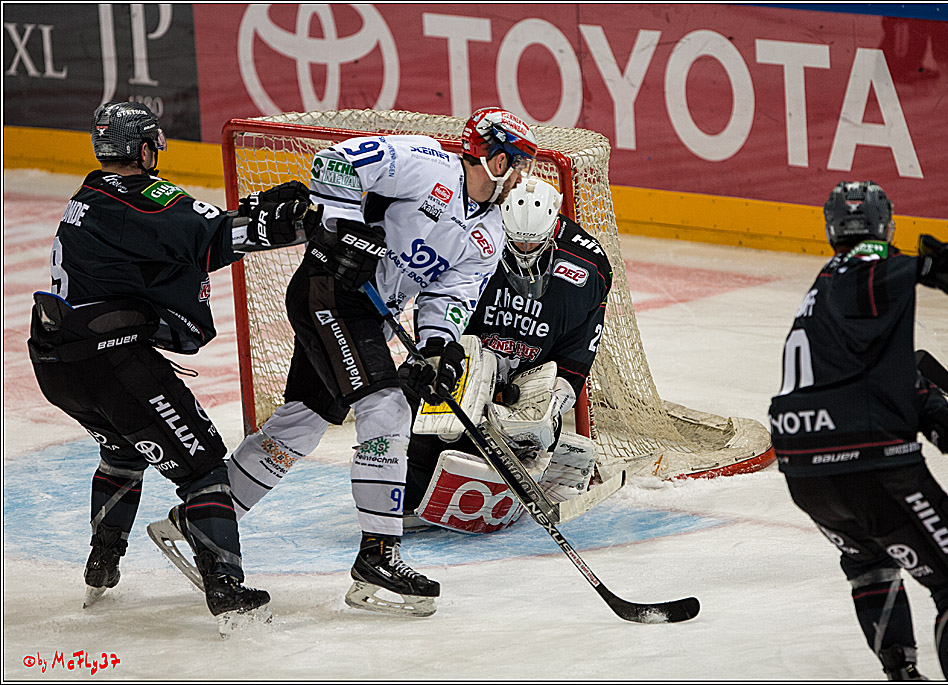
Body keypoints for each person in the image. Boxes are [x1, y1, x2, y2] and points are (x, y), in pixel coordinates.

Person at [149, 106, 537, 617]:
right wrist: (345, 229)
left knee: (301, 425)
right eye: (516, 159)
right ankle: (378, 557)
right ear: (489, 155)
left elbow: (449, 296)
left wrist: (438, 348)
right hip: (329, 289)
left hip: (367, 313)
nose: (522, 173)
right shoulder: (426, 163)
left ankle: (198, 519)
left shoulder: (489, 235)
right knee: (389, 409)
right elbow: (337, 163)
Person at [27, 102, 316, 635]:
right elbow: (210, 236)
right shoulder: (144, 197)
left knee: (121, 447)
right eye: (154, 142)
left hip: (57, 366)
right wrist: (291, 222)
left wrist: (249, 210)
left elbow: (175, 237)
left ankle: (102, 562)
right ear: (142, 148)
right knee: (203, 465)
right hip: (110, 360)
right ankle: (225, 588)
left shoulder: (87, 197)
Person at [768, 180, 948, 680]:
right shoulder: (857, 270)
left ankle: (903, 673)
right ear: (886, 227)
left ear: (831, 229)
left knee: (870, 560)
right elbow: (868, 275)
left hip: (806, 475)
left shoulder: (817, 300)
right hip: (870, 466)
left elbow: (890, 381)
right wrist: (925, 267)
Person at [402, 176, 614, 534]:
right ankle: (407, 491)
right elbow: (437, 306)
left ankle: (541, 458)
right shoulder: (471, 242)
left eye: (533, 243)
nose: (523, 250)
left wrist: (552, 403)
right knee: (413, 405)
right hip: (466, 367)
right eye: (515, 241)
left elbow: (579, 351)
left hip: (523, 389)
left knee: (520, 432)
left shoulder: (587, 269)